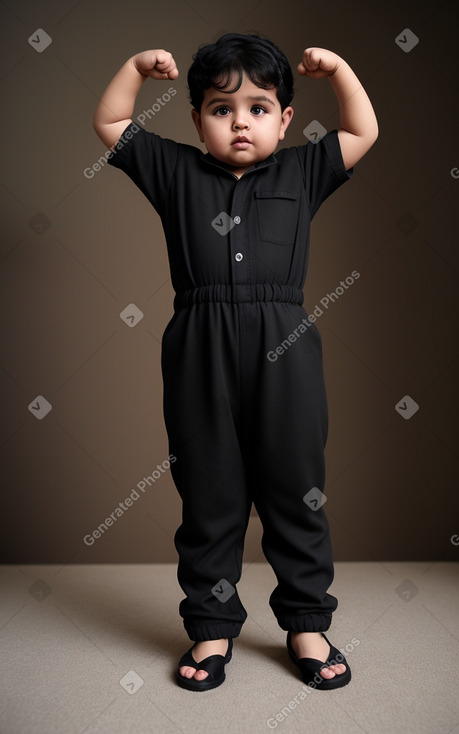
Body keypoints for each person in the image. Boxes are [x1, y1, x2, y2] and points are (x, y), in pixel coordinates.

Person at [93, 32, 378, 692]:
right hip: (199, 346)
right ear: (196, 120)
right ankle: (212, 623)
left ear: (283, 120)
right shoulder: (174, 172)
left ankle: (306, 623)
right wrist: (135, 66)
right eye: (221, 109)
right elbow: (110, 122)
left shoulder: (302, 172)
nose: (239, 122)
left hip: (286, 347)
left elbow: (360, 130)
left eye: (257, 107)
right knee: (209, 491)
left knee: (295, 490)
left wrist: (337, 69)